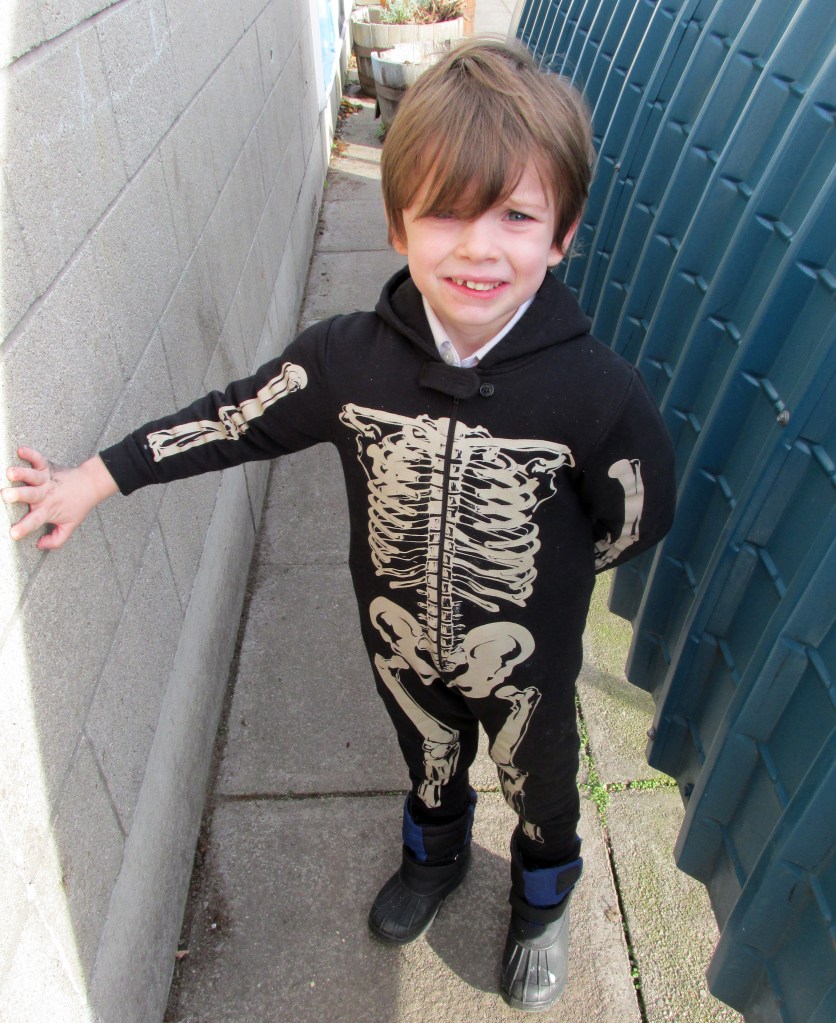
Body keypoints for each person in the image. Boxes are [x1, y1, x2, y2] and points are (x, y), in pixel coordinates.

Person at [2, 39, 675, 1012]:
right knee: (426, 755)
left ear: (561, 234)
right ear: (396, 224)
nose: (478, 247)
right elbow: (234, 418)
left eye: (515, 216)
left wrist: (555, 579)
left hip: (522, 653)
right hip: (396, 635)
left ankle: (541, 899)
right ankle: (434, 857)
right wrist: (97, 477)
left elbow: (636, 515)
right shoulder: (344, 362)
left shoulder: (596, 393)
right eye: (444, 211)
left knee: (540, 778)